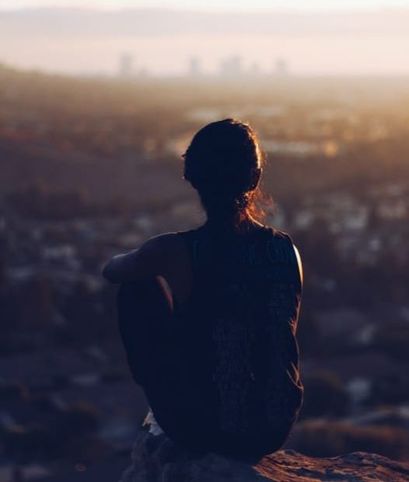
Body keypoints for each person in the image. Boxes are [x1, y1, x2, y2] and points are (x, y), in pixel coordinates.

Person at [102, 118, 304, 461]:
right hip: (273, 427)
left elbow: (112, 271)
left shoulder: (174, 251)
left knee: (137, 288)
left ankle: (170, 403)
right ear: (254, 178)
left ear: (192, 177)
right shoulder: (286, 250)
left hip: (200, 428)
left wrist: (150, 257)